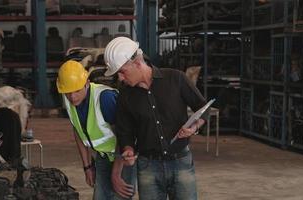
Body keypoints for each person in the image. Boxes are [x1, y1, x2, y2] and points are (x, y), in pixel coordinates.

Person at [104, 37, 207, 200]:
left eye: (122, 72)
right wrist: (128, 149)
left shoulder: (176, 78)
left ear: (137, 63)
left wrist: (194, 127)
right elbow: (125, 131)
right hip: (148, 167)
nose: (121, 78)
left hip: (181, 163)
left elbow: (203, 110)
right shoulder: (125, 95)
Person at [56, 60, 135, 200]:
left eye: (77, 91)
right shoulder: (69, 100)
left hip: (123, 157)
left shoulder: (105, 99)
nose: (72, 97)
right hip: (102, 157)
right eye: (68, 92)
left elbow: (125, 136)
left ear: (86, 83)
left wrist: (116, 174)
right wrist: (87, 167)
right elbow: (78, 131)